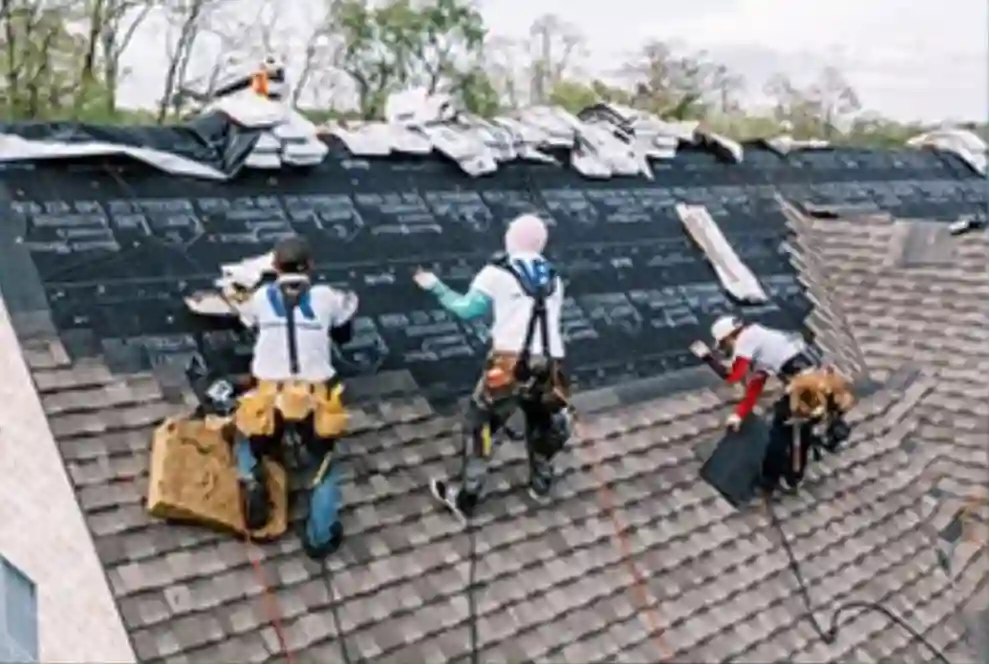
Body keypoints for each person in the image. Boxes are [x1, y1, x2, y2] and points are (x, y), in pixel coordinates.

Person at [413, 213, 573, 522]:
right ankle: (541, 483)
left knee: (481, 425)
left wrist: (435, 286)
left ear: (510, 239)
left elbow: (468, 309)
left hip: (508, 364)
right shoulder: (555, 279)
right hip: (552, 365)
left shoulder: (496, 272)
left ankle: (466, 497)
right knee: (545, 423)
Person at [232, 235, 358, 558]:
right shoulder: (327, 297)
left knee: (248, 440)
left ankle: (252, 485)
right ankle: (320, 537)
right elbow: (344, 332)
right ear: (311, 266)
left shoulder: (260, 297)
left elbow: (246, 325)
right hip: (313, 400)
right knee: (323, 467)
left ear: (274, 267)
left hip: (268, 398)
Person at [690, 315, 819, 490]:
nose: (725, 349)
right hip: (816, 382)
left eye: (723, 344)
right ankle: (794, 473)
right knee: (796, 427)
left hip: (808, 387)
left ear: (729, 336)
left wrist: (708, 358)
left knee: (780, 430)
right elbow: (754, 389)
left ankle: (774, 479)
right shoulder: (761, 343)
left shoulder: (746, 338)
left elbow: (734, 376)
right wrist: (739, 415)